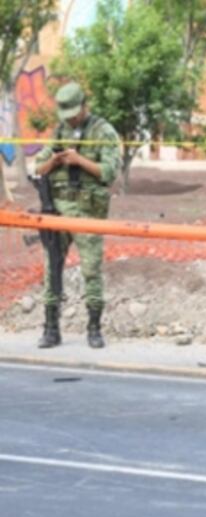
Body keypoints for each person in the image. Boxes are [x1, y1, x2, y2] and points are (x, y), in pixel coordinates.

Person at [34, 82, 121, 349]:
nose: (71, 118)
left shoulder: (103, 131)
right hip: (58, 211)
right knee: (52, 270)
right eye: (66, 114)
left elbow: (109, 172)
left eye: (74, 112)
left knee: (91, 271)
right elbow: (39, 167)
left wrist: (79, 161)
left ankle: (94, 329)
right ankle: (51, 328)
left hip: (87, 212)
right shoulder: (60, 131)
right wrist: (56, 161)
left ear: (85, 105)